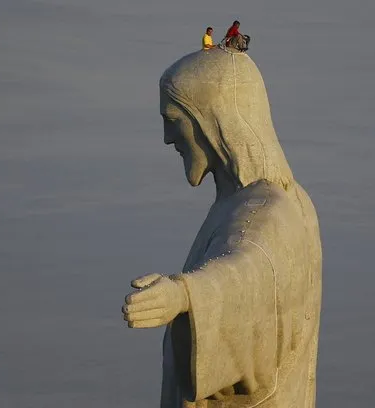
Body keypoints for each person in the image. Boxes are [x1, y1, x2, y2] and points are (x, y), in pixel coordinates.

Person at [122, 48, 322, 407]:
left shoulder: (266, 213)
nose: (168, 137)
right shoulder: (258, 201)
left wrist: (184, 296)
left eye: (174, 119)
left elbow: (252, 272)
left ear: (213, 121)